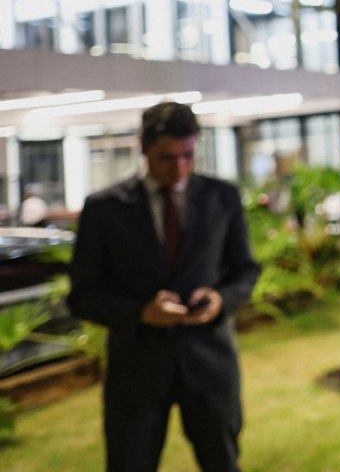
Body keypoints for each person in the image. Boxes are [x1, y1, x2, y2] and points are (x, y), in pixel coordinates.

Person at [68, 102, 260, 471]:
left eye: (188, 156)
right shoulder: (104, 209)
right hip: (136, 374)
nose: (179, 168)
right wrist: (142, 313)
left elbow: (246, 270)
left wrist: (220, 300)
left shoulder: (222, 197)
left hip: (209, 367)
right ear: (142, 146)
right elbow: (82, 296)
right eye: (166, 157)